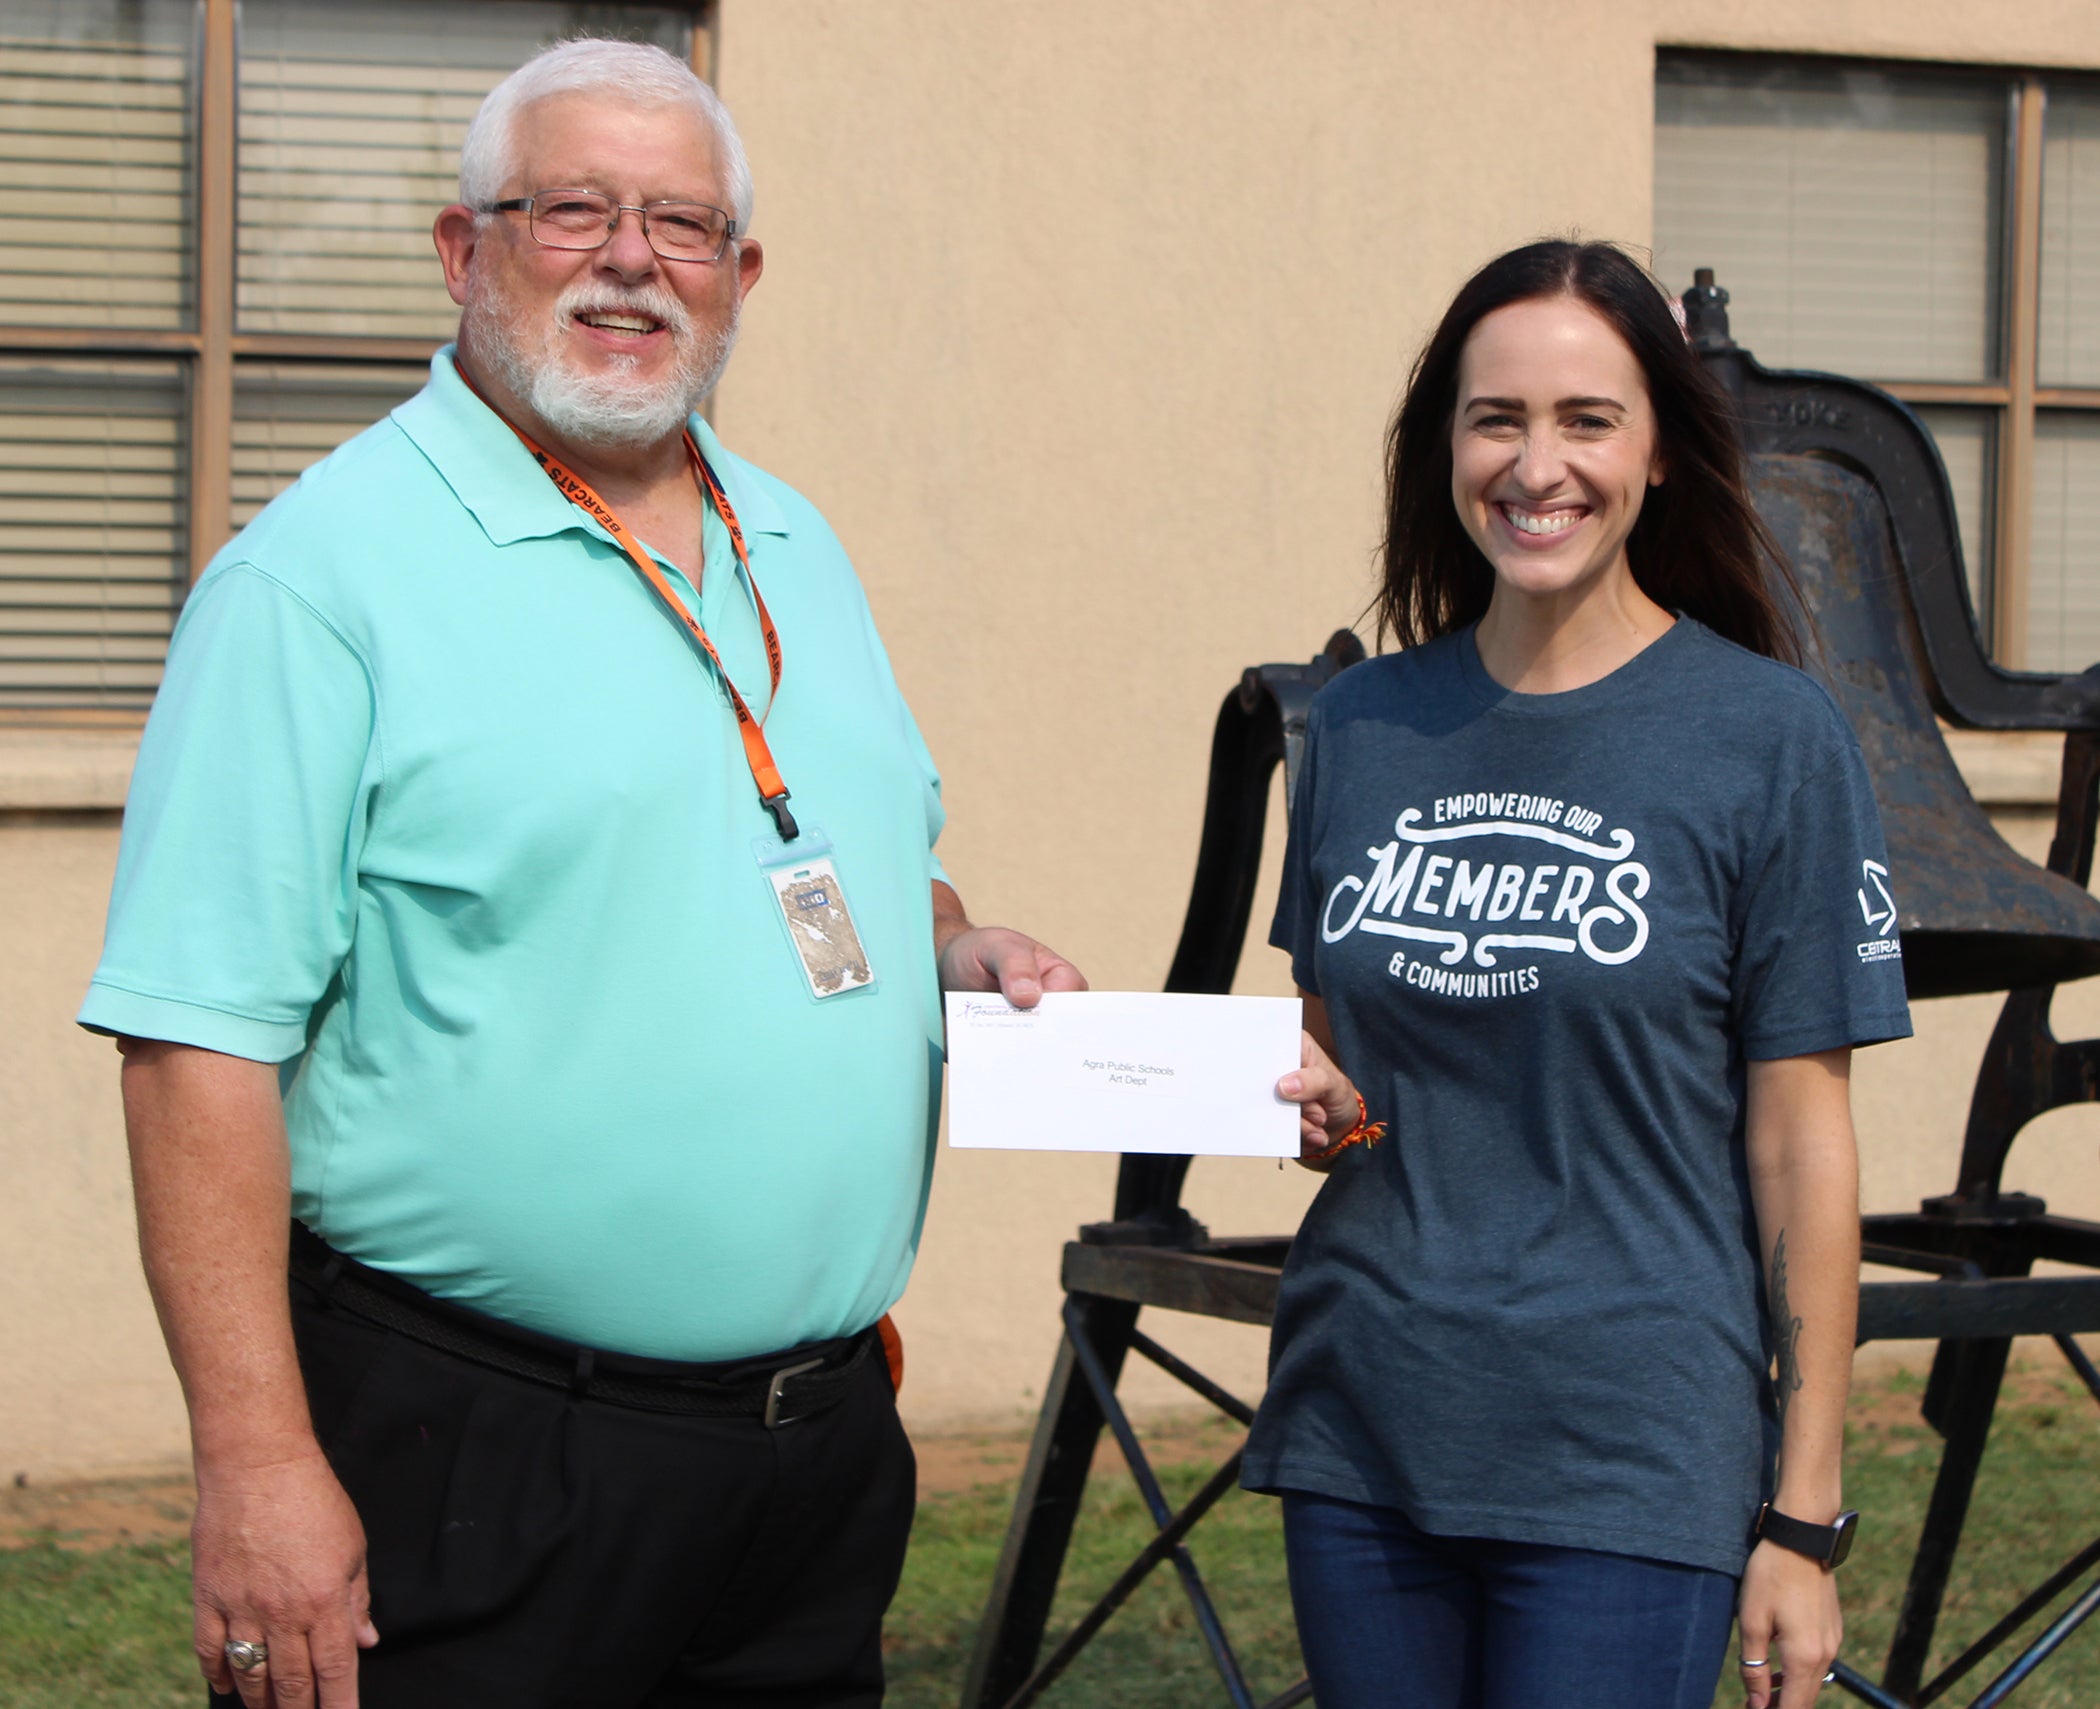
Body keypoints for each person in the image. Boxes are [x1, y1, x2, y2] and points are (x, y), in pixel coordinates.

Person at [79, 37, 1082, 1709]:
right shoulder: (319, 582)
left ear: (740, 276)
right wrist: (255, 1461)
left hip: (810, 1463)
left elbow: (854, 859)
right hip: (473, 1458)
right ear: (466, 250)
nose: (632, 258)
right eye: (574, 211)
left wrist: (958, 952)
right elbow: (196, 1049)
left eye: (682, 224)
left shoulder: (793, 542)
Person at [1260, 239, 1911, 1709]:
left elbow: (1804, 1149)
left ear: (1661, 451)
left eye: (1586, 419)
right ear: (1446, 449)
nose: (1534, 464)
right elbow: (1346, 1084)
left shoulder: (1768, 737)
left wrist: (1802, 1519)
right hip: (1365, 1428)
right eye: (1496, 419)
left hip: (1627, 1448)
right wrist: (1319, 1112)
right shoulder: (1360, 727)